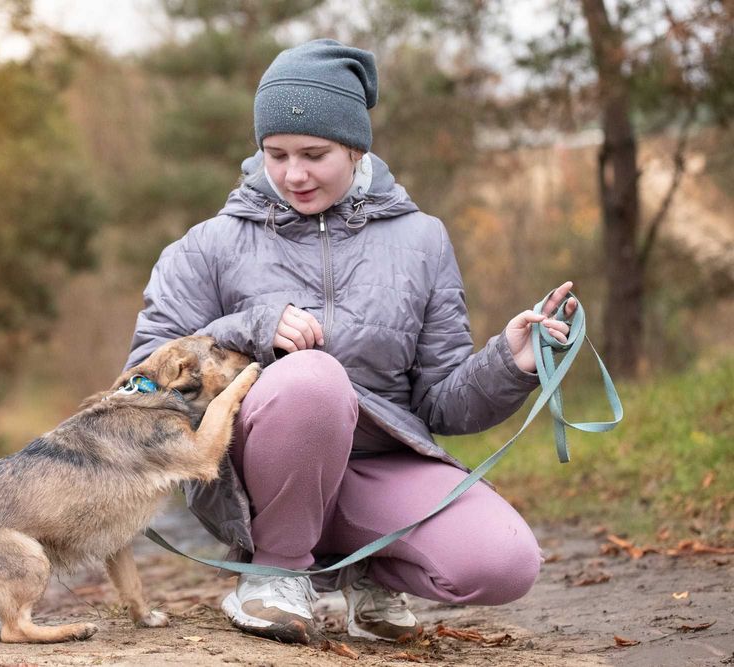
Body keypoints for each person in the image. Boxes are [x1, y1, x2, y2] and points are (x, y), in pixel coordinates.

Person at [123, 38, 577, 644]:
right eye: (275, 153)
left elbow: (441, 404)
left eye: (315, 154)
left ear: (357, 147)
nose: (293, 174)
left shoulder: (423, 240)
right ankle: (275, 576)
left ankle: (362, 568)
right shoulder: (210, 243)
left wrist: (510, 361)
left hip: (376, 470)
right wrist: (249, 328)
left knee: (503, 562)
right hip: (257, 478)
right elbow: (142, 380)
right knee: (312, 376)